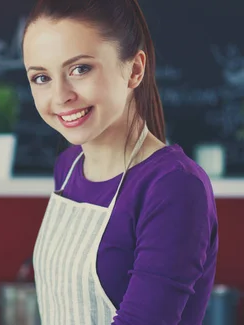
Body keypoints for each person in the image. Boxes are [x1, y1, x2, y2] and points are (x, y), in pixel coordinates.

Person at [22, 0, 219, 324]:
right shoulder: (69, 167)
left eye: (80, 69)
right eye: (41, 77)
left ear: (135, 69)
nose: (60, 96)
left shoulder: (175, 186)